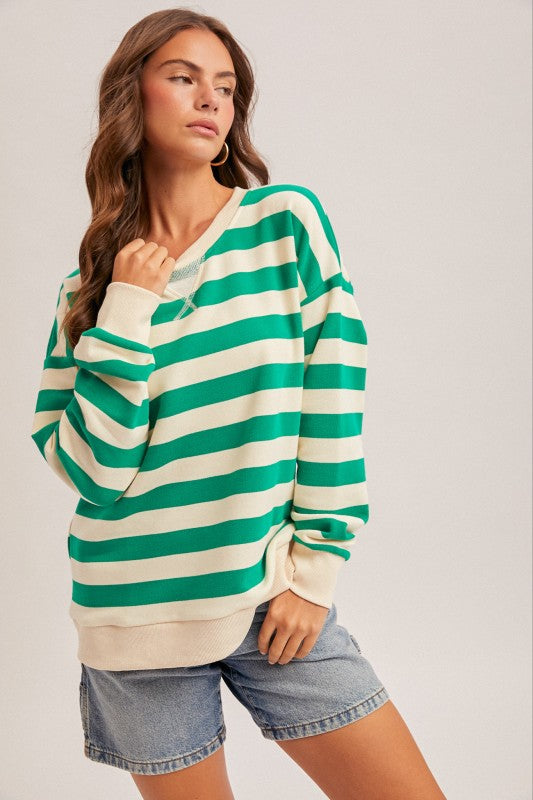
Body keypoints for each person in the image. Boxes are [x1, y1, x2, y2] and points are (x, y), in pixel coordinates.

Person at [30, 8, 447, 800]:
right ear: (132, 95)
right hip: (132, 620)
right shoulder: (87, 290)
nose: (209, 99)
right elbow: (96, 474)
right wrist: (126, 307)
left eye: (224, 87)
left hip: (270, 596)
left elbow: (333, 391)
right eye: (183, 77)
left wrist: (314, 570)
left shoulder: (282, 225)